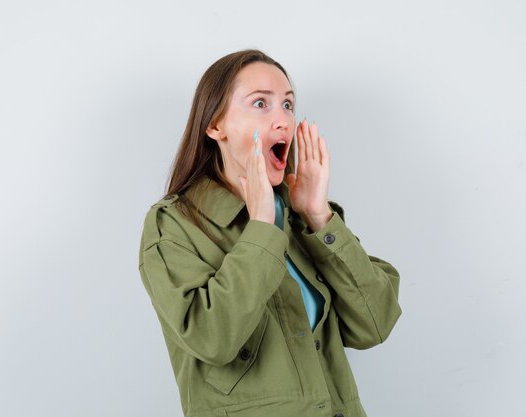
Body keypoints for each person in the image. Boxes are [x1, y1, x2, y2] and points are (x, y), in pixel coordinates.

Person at [138, 49, 402, 417]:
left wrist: (319, 216)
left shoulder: (298, 217)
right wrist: (261, 228)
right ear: (216, 126)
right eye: (260, 103)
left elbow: (375, 324)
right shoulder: (173, 224)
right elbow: (212, 339)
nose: (282, 120)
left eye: (288, 105)